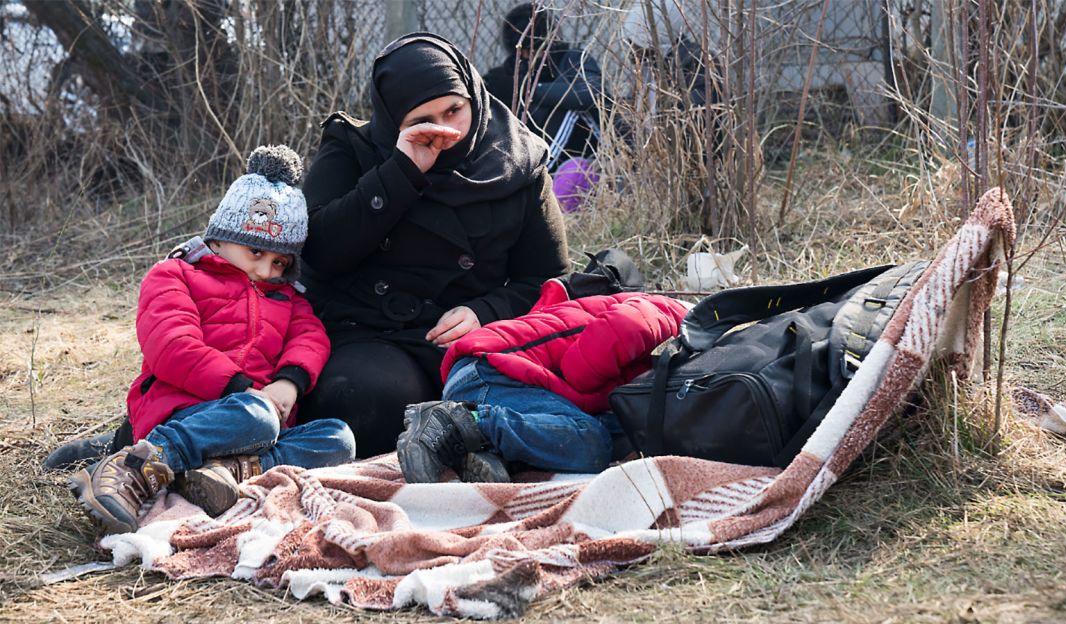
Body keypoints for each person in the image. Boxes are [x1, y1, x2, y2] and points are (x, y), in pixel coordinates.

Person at [296, 33, 570, 458]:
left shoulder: (518, 162)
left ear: (473, 97)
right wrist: (401, 171)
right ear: (393, 123)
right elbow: (318, 252)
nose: (445, 131)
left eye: (454, 110)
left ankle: (462, 442)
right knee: (360, 401)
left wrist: (487, 311)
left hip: (477, 337)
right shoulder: (353, 149)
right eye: (422, 121)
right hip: (370, 332)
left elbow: (548, 279)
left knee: (557, 405)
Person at [69, 146, 355, 535]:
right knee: (255, 413)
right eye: (255, 252)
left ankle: (222, 474)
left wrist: (289, 382)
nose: (265, 269)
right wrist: (243, 390)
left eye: (280, 263)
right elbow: (172, 344)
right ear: (221, 238)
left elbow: (311, 337)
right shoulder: (175, 275)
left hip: (258, 428)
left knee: (338, 438)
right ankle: (136, 465)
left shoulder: (286, 298)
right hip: (185, 410)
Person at [396, 280, 690, 483]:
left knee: (613, 433)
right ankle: (461, 422)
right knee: (592, 440)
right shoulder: (669, 314)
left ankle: (480, 450)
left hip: (497, 375)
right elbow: (581, 369)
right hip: (492, 368)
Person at [482, 2, 605, 212]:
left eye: (533, 49)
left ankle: (533, 177)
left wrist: (531, 89)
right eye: (524, 51)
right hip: (543, 160)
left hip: (585, 154)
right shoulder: (511, 71)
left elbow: (590, 93)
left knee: (568, 108)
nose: (528, 56)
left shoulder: (573, 59)